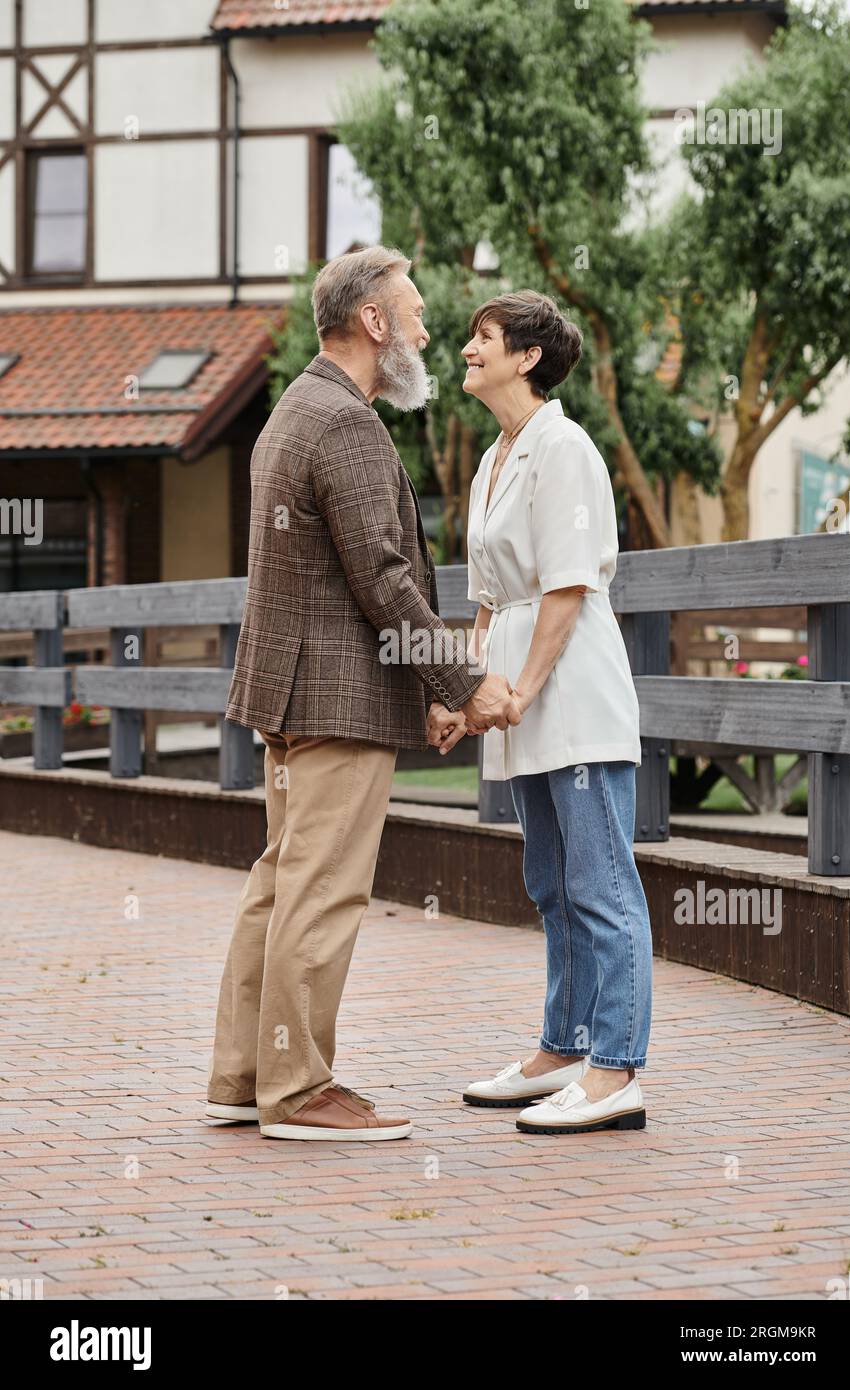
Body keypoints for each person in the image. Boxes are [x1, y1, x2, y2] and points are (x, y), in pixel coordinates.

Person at [206, 246, 519, 1142]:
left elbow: (347, 583)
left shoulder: (292, 411)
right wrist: (465, 681)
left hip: (295, 694)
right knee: (322, 888)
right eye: (414, 313)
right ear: (373, 323)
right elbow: (382, 580)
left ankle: (241, 1075)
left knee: (278, 881)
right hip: (333, 702)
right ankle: (299, 1089)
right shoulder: (344, 423)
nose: (427, 331)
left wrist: (424, 691)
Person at [427, 290, 653, 1135]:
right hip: (518, 692)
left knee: (602, 886)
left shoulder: (565, 448)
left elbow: (566, 585)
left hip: (573, 689)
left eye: (483, 338)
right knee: (551, 884)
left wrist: (520, 690)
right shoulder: (495, 458)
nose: (466, 349)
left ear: (527, 357)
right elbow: (488, 604)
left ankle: (617, 1069)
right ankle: (564, 1047)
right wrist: (464, 694)